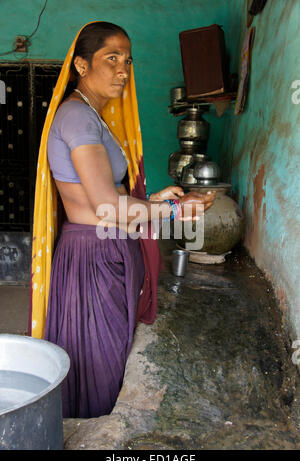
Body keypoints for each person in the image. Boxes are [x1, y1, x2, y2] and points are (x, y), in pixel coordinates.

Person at [29, 21, 215, 419]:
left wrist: (151, 199)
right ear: (81, 64)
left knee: (107, 353)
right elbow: (106, 207)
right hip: (93, 256)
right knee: (98, 359)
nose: (122, 70)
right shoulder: (77, 118)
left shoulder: (93, 117)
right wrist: (176, 212)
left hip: (103, 250)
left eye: (127, 59)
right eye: (110, 58)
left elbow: (108, 195)